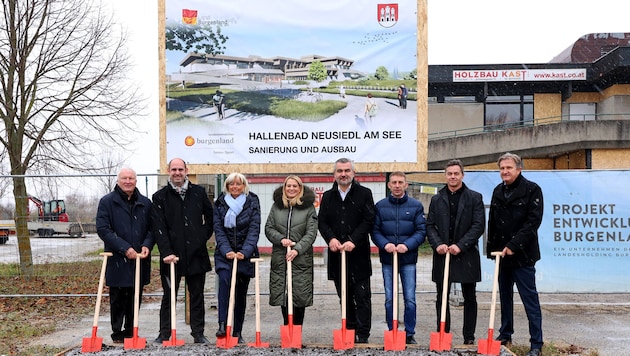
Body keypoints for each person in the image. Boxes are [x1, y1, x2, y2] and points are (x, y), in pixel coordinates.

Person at [151, 158, 214, 344]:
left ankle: (198, 333)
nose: (177, 173)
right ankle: (164, 334)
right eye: (174, 169)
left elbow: (209, 220)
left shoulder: (199, 193)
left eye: (180, 169)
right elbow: (158, 227)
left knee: (197, 295)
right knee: (169, 295)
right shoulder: (160, 197)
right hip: (172, 256)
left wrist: (199, 238)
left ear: (186, 170)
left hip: (196, 254)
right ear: (168, 171)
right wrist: (166, 251)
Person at [487, 152, 544, 356]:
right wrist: (491, 250)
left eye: (509, 168)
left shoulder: (532, 190)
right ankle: (505, 334)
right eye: (502, 168)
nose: (505, 171)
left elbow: (533, 222)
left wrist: (513, 245)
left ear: (519, 169)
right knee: (505, 298)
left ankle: (536, 343)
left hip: (523, 255)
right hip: (502, 256)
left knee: (530, 299)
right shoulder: (497, 190)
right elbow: (492, 222)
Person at [426, 159, 485, 345]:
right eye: (449, 173)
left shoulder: (475, 197)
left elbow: (478, 225)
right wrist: (437, 244)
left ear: (462, 175)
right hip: (443, 254)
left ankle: (469, 337)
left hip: (466, 254)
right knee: (441, 296)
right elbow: (430, 225)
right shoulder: (436, 199)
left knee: (470, 296)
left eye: (456, 173)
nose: (453, 176)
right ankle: (443, 333)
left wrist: (461, 245)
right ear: (445, 175)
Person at [318, 157, 376, 343]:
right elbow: (322, 222)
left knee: (362, 296)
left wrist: (353, 240)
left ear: (353, 173)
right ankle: (349, 330)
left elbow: (369, 220)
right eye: (340, 171)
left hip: (358, 255)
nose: (343, 174)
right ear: (334, 174)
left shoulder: (364, 193)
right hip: (337, 256)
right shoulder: (327, 196)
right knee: (344, 295)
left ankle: (363, 334)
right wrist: (331, 238)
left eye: (347, 171)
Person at [96, 167, 154, 343]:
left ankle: (131, 331)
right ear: (118, 181)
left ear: (136, 181)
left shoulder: (145, 203)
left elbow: (152, 228)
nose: (128, 181)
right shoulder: (107, 202)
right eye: (124, 178)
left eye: (131, 178)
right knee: (118, 297)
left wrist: (147, 245)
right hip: (117, 259)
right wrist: (124, 248)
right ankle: (117, 332)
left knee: (135, 296)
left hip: (139, 259)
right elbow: (103, 229)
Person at [372, 171, 426, 345]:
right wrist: (384, 244)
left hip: (408, 260)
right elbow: (375, 231)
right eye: (393, 182)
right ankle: (392, 330)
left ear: (406, 185)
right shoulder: (380, 206)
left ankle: (409, 333)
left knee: (410, 298)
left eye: (400, 182)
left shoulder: (416, 206)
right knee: (390, 297)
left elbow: (421, 231)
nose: (397, 185)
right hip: (388, 260)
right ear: (389, 185)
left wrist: (407, 245)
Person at [213, 172, 261, 344]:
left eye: (238, 184)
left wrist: (245, 252)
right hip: (225, 255)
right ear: (226, 186)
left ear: (244, 185)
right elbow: (218, 229)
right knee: (225, 285)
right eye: (231, 184)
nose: (235, 187)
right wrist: (226, 250)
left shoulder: (252, 202)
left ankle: (237, 331)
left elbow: (254, 228)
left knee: (240, 294)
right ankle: (222, 324)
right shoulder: (219, 203)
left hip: (245, 255)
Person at [265, 175, 318, 326]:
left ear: (300, 188)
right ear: (284, 188)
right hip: (280, 258)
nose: (291, 189)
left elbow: (311, 232)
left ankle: (297, 330)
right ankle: (287, 327)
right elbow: (269, 228)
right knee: (283, 294)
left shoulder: (308, 208)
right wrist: (281, 239)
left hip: (301, 259)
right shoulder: (277, 207)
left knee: (299, 295)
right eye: (288, 186)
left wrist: (297, 249)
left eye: (295, 186)